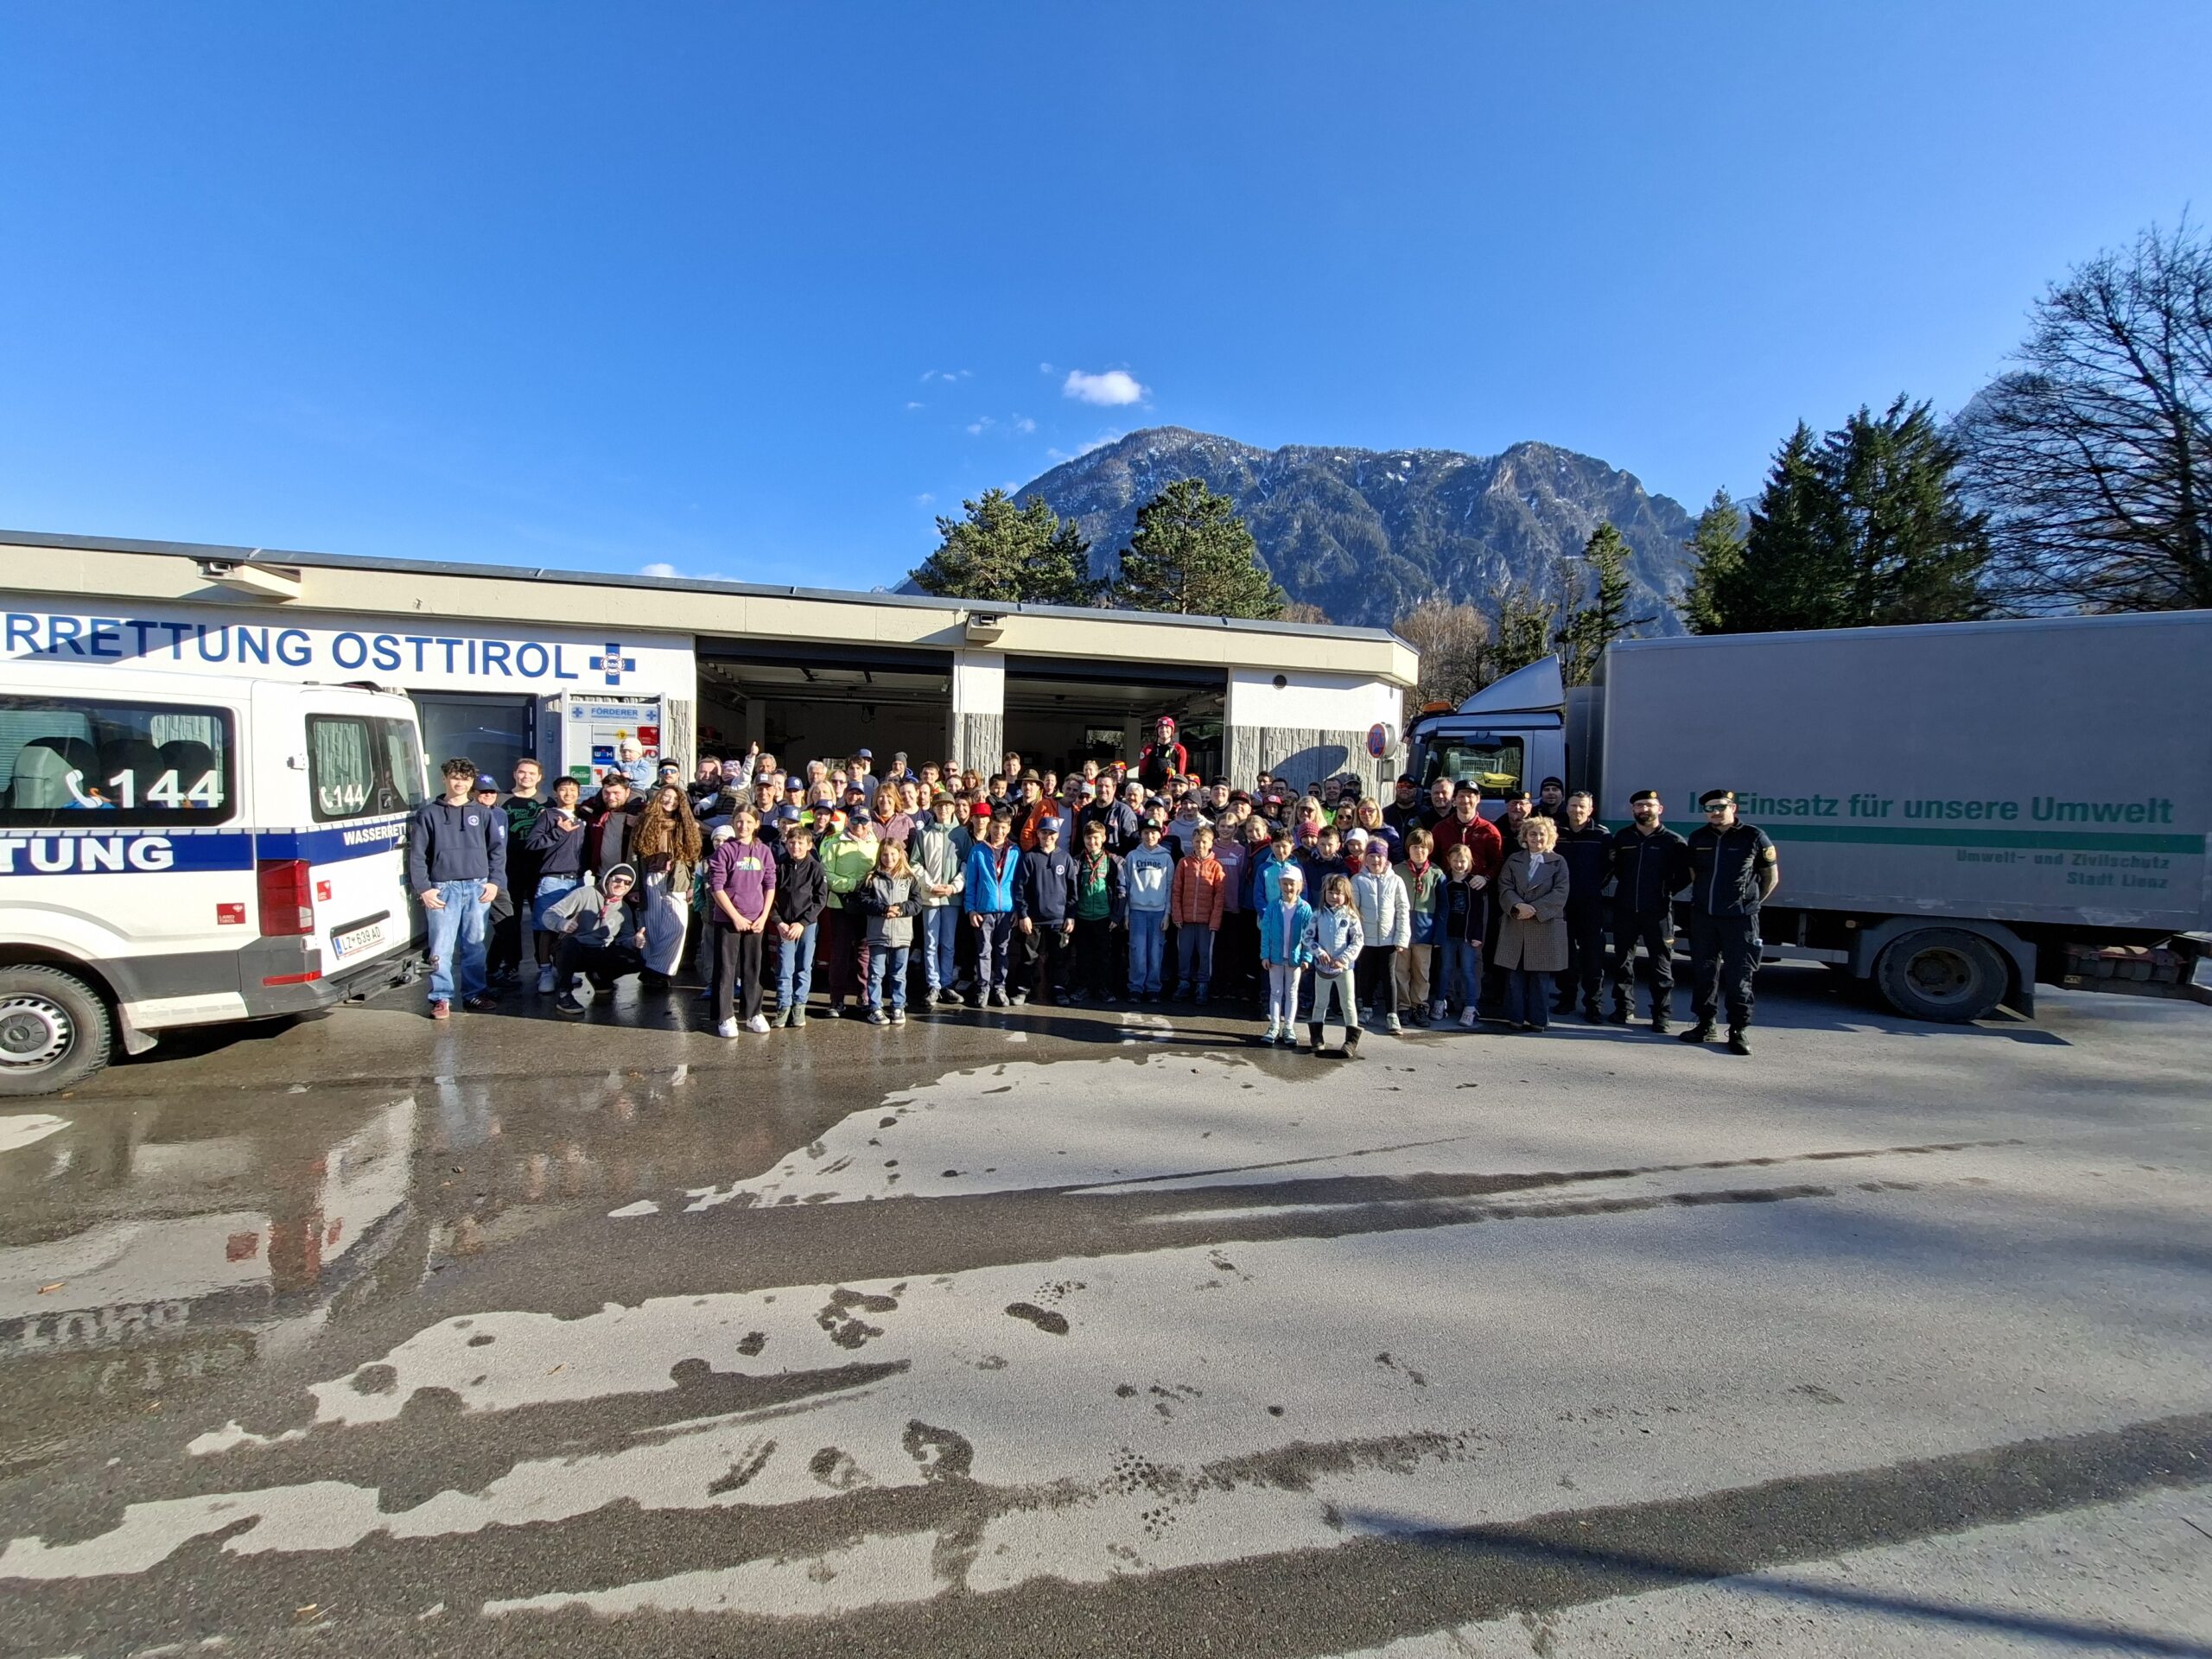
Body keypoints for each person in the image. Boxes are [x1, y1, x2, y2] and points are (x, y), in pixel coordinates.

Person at [1681, 789, 1779, 1055]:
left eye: (1720, 807)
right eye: (1709, 808)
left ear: (1733, 808)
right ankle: (1704, 1024)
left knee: (1739, 977)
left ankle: (1738, 1030)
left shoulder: (1754, 837)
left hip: (1740, 920)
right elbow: (1694, 874)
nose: (1715, 812)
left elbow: (1770, 878)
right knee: (1704, 974)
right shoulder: (1699, 837)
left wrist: (1749, 905)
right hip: (1704, 917)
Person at [408, 757, 506, 1020]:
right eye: (454, 777)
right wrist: (424, 889)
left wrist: (495, 882)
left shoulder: (484, 813)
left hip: (478, 887)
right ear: (444, 779)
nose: (459, 782)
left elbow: (497, 851)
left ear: (471, 782)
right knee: (441, 946)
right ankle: (441, 997)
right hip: (442, 889)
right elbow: (417, 856)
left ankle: (474, 993)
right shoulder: (428, 814)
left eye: (465, 778)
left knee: (474, 945)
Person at [1609, 789, 1691, 1032]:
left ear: (1660, 809)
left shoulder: (1673, 842)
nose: (1644, 809)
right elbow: (1617, 869)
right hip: (1625, 908)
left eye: (1649, 805)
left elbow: (1685, 876)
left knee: (1661, 964)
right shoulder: (1623, 838)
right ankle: (1624, 1008)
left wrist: (1664, 892)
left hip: (1658, 912)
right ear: (1633, 810)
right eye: (1639, 806)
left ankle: (1662, 1015)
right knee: (1623, 961)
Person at [1495, 814, 1569, 1032]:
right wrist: (1518, 906)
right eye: (1532, 833)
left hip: (1543, 925)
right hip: (1516, 922)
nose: (1537, 838)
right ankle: (1515, 1017)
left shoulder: (1558, 862)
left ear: (1550, 837)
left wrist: (1535, 909)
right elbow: (1504, 886)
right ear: (1525, 837)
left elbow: (1561, 892)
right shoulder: (1514, 859)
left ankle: (1538, 1019)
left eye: (1542, 834)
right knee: (1514, 975)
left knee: (1539, 976)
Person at [708, 805, 776, 1036]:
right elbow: (716, 887)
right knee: (726, 969)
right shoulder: (725, 851)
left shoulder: (764, 851)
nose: (743, 826)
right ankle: (725, 1016)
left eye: (748, 821)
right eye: (739, 821)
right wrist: (734, 916)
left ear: (757, 824)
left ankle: (753, 1013)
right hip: (729, 919)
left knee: (753, 968)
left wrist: (764, 917)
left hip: (756, 919)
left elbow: (770, 885)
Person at [547, 862, 646, 1014]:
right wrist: (563, 923)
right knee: (569, 944)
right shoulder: (583, 894)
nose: (622, 885)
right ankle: (564, 994)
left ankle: (599, 978)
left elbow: (624, 938)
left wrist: (634, 941)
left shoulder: (624, 908)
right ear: (607, 879)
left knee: (636, 961)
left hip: (600, 950)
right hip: (576, 949)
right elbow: (549, 914)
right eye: (618, 880)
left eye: (627, 883)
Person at [632, 783, 702, 990]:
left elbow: (695, 858)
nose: (669, 802)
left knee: (677, 927)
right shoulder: (645, 822)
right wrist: (635, 885)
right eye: (666, 797)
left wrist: (692, 885)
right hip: (652, 877)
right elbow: (633, 855)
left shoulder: (686, 825)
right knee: (651, 927)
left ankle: (658, 970)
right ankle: (654, 973)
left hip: (677, 881)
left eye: (674, 799)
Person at [525, 773, 588, 994]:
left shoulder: (583, 817)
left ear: (579, 793)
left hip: (576, 881)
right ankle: (545, 971)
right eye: (563, 789)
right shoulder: (549, 816)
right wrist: (558, 830)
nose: (568, 793)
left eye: (572, 789)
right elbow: (532, 843)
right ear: (555, 793)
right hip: (552, 880)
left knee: (570, 929)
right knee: (547, 927)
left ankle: (564, 971)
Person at [1554, 791, 1613, 1022]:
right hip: (1562, 904)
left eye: (1582, 807)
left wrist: (1594, 885)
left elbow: (1610, 866)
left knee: (1592, 956)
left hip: (1590, 904)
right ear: (1566, 808)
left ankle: (1593, 1004)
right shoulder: (1557, 833)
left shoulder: (1601, 835)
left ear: (1590, 810)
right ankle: (1566, 998)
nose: (1577, 810)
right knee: (1564, 954)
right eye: (1573, 805)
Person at [489, 759, 544, 987]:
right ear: (514, 774)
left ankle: (544, 965)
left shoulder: (547, 802)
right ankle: (509, 964)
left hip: (538, 868)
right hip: (507, 868)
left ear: (539, 777)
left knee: (541, 920)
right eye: (522, 772)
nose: (526, 777)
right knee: (508, 920)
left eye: (531, 773)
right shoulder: (500, 800)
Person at [1013, 816, 1077, 1005]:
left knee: (1059, 957)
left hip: (1058, 918)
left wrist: (1070, 916)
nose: (1047, 836)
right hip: (1034, 919)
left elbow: (1072, 890)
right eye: (1044, 832)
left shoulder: (1065, 858)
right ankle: (1023, 988)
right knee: (1028, 956)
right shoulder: (1030, 857)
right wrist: (1023, 914)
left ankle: (1058, 989)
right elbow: (1020, 888)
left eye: (1051, 833)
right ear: (1038, 833)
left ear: (1057, 836)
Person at [1351, 833, 1410, 1035]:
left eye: (1380, 856)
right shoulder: (1357, 880)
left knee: (1389, 975)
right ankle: (1366, 1007)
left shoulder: (1396, 881)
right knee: (1366, 974)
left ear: (1386, 858)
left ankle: (1392, 1014)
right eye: (1372, 856)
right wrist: (1355, 936)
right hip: (1365, 939)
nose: (1376, 860)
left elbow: (1403, 910)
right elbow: (1353, 910)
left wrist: (1401, 938)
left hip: (1389, 938)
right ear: (1365, 858)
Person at [911, 794, 966, 1004]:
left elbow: (966, 863)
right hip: (931, 896)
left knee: (948, 943)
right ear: (934, 808)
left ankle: (946, 983)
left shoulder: (961, 834)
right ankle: (933, 984)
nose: (943, 809)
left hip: (952, 898)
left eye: (947, 806)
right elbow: (915, 863)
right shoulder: (924, 833)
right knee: (931, 942)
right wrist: (930, 885)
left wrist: (954, 887)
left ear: (953, 809)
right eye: (939, 806)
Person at [855, 839, 918, 1025]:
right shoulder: (872, 878)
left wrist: (900, 909)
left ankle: (898, 1005)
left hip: (902, 933)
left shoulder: (909, 878)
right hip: (878, 933)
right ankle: (875, 1007)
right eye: (884, 854)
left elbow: (916, 903)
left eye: (892, 854)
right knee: (876, 972)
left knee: (899, 973)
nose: (888, 858)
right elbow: (864, 901)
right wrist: (883, 909)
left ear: (900, 855)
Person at [963, 807, 1020, 1007]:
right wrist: (971, 909)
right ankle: (983, 988)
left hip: (1006, 910)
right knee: (983, 950)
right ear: (990, 826)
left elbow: (1017, 884)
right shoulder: (978, 851)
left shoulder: (1014, 851)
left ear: (1008, 828)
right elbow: (971, 883)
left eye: (1003, 828)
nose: (999, 832)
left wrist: (1017, 910)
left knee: (1003, 950)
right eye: (996, 827)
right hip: (984, 910)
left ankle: (1000, 987)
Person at [772, 822, 827, 1027]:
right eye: (792, 842)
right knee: (785, 967)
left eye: (800, 842)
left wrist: (803, 923)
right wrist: (779, 922)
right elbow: (771, 897)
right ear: (786, 844)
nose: (796, 846)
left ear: (809, 845)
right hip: (784, 925)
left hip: (807, 925)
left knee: (804, 966)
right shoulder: (779, 866)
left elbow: (820, 899)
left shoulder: (815, 867)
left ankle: (799, 1005)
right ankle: (783, 1006)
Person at [1306, 873, 1364, 1058]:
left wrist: (1344, 958)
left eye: (1338, 893)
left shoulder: (1351, 916)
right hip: (1323, 968)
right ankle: (1316, 1038)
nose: (1333, 896)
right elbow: (1307, 937)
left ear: (1346, 895)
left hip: (1344, 968)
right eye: (1330, 892)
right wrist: (1319, 952)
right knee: (1320, 1002)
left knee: (1347, 1003)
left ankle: (1351, 1041)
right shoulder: (1318, 914)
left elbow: (1358, 941)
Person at [1168, 823, 1226, 1005]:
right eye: (1197, 841)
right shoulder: (1184, 863)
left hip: (1206, 921)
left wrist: (1215, 920)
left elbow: (1219, 896)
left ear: (1210, 843)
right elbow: (1176, 890)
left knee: (1204, 954)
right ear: (1192, 842)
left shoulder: (1216, 866)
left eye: (1204, 842)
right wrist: (1176, 914)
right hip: (1185, 919)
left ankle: (1203, 984)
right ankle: (1184, 982)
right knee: (1184, 952)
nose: (1200, 845)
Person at [1258, 863, 1313, 1046]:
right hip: (1275, 958)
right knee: (1276, 992)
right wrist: (1264, 955)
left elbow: (1309, 936)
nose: (1288, 887)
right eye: (1284, 883)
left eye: (1292, 883)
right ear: (1279, 884)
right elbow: (1265, 932)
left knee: (1291, 992)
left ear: (1299, 885)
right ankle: (1274, 1026)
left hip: (1295, 959)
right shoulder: (1273, 907)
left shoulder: (1305, 908)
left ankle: (1288, 1027)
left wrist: (1306, 957)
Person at [1070, 817, 1123, 1002]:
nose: (1092, 842)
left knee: (1103, 956)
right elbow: (1071, 889)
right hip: (1082, 915)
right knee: (1083, 955)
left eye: (1095, 838)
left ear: (1103, 839)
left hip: (1104, 916)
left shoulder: (1112, 861)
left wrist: (1116, 916)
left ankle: (1103, 988)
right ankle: (1083, 987)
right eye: (1088, 838)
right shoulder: (1077, 861)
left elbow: (1120, 890)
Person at [1122, 817, 1174, 1003]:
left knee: (1155, 951)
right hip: (1137, 910)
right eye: (1146, 833)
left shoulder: (1166, 857)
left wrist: (1167, 913)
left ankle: (1153, 987)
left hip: (1158, 911)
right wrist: (1127, 913)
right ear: (1141, 834)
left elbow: (1170, 887)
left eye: (1154, 832)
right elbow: (1126, 887)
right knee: (1137, 951)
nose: (1150, 836)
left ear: (1160, 835)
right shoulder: (1132, 856)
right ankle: (1136, 987)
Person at [1435, 841, 1485, 1027]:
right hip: (1447, 934)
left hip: (1467, 936)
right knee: (1445, 969)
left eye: (1463, 861)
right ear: (1448, 860)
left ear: (1470, 862)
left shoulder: (1474, 884)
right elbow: (1438, 908)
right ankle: (1440, 1002)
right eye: (1455, 860)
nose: (1459, 864)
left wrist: (1477, 935)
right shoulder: (1443, 882)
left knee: (1468, 971)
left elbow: (1478, 912)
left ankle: (1470, 1006)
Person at [1395, 827, 1440, 1025]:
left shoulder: (1437, 873)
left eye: (1423, 848)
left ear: (1429, 849)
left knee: (1422, 972)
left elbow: (1443, 907)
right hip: (1401, 931)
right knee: (1401, 970)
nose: (1418, 851)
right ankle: (1403, 1007)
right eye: (1415, 847)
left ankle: (1419, 1006)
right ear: (1408, 849)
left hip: (1425, 932)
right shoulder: (1397, 870)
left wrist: (1438, 934)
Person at [582, 772, 640, 877]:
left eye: (616, 793)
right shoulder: (595, 812)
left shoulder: (639, 813)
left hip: (630, 881)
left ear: (627, 792)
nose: (611, 797)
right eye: (606, 793)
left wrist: (641, 824)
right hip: (602, 877)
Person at [1137, 715, 1187, 792]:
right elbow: (1142, 774)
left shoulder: (1179, 749)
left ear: (1172, 730)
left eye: (1167, 727)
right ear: (1157, 731)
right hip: (1151, 791)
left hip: (1171, 791)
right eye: (1161, 728)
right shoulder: (1148, 749)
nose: (1164, 730)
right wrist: (1150, 790)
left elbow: (1180, 776)